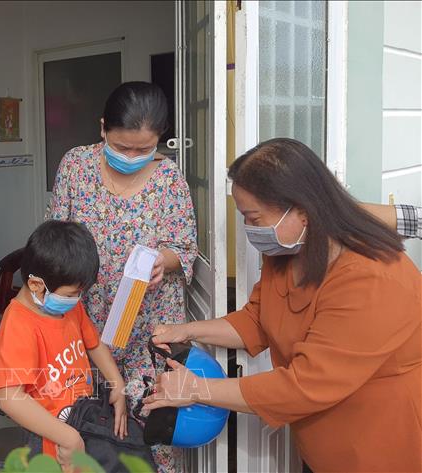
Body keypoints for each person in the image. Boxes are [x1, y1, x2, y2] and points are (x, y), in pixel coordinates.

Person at [143, 138, 421, 472]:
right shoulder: (288, 252)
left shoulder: (374, 278)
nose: (249, 229)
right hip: (323, 448)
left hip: (381, 449)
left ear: (302, 211)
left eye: (254, 218)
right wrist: (186, 330)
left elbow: (305, 385)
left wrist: (196, 390)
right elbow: (257, 320)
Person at [46, 81, 197, 472]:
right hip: (88, 321)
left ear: (159, 139)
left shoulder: (169, 180)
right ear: (102, 128)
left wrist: (164, 260)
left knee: (152, 424)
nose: (131, 157)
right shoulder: (76, 166)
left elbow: (185, 247)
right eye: (122, 147)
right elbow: (55, 238)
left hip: (150, 326)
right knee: (87, 421)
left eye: (143, 149)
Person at [0, 220, 127, 470]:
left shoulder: (70, 307)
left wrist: (117, 383)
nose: (76, 300)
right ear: (36, 285)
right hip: (49, 438)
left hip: (81, 421)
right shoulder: (18, 324)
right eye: (70, 295)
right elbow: (10, 398)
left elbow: (94, 344)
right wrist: (68, 438)